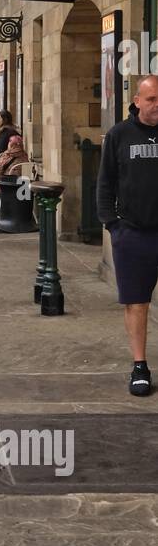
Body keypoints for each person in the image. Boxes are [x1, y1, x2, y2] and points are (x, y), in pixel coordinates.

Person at [96, 74, 158, 396]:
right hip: (132, 233)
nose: (157, 105)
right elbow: (105, 183)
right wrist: (113, 226)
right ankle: (139, 366)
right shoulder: (120, 135)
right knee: (137, 303)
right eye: (152, 99)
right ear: (137, 101)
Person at [0, 134, 29, 225]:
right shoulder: (24, 155)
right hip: (24, 187)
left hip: (8, 187)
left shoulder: (6, 155)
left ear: (11, 144)